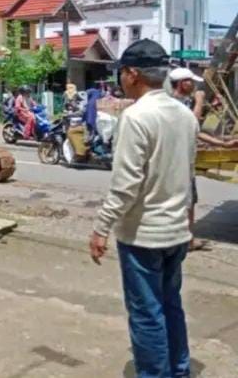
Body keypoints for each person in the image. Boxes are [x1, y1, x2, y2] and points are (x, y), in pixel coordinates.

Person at [90, 39, 197, 378]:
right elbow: (188, 177)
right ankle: (178, 370)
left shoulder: (135, 117)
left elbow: (124, 187)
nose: (120, 80)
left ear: (133, 74)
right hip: (176, 232)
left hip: (143, 237)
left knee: (146, 313)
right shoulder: (184, 114)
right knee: (170, 306)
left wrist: (100, 227)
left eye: (121, 73)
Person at [168, 67, 238, 251]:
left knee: (189, 201)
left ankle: (187, 239)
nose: (195, 86)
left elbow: (196, 132)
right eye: (191, 82)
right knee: (183, 201)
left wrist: (223, 144)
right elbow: (192, 123)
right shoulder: (174, 104)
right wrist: (199, 102)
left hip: (184, 160)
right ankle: (181, 241)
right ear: (183, 83)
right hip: (177, 161)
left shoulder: (180, 102)